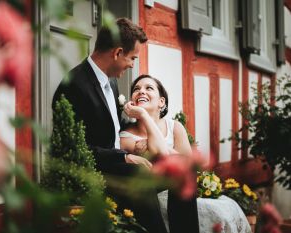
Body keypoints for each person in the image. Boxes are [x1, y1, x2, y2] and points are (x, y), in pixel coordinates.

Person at [52, 18, 168, 233]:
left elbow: (111, 125)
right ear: (117, 53)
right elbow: (78, 149)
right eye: (132, 58)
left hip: (117, 163)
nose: (133, 64)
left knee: (176, 172)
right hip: (96, 169)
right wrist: (123, 157)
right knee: (139, 175)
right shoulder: (75, 85)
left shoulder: (111, 82)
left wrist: (136, 141)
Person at [120, 74, 200, 233]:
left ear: (161, 102)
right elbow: (161, 154)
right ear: (132, 101)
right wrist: (143, 115)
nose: (141, 91)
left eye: (148, 88)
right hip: (148, 187)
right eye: (136, 89)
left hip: (176, 190)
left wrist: (164, 149)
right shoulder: (125, 136)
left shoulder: (175, 127)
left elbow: (188, 166)